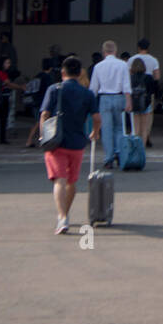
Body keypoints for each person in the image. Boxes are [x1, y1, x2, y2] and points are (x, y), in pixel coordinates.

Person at [37, 56, 100, 235]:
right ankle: (66, 213)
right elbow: (97, 118)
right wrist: (95, 132)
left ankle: (62, 217)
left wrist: (43, 135)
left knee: (59, 180)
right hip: (77, 142)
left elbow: (44, 114)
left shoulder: (54, 89)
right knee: (71, 181)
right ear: (80, 73)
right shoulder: (87, 93)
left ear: (62, 72)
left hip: (56, 141)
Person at [88, 40, 132, 169]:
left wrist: (90, 105)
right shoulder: (123, 65)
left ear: (104, 52)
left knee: (106, 129)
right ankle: (119, 152)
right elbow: (126, 84)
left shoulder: (98, 66)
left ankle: (108, 159)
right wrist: (128, 100)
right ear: (115, 51)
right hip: (119, 96)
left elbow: (93, 88)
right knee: (119, 127)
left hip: (105, 98)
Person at [131, 38, 162, 147]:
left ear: (138, 47)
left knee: (135, 123)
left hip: (134, 95)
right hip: (148, 93)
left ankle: (136, 143)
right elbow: (157, 77)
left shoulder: (132, 59)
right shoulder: (153, 60)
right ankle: (146, 139)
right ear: (148, 47)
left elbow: (127, 76)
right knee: (147, 121)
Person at [24, 57, 58, 149]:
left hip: (34, 101)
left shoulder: (37, 76)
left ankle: (30, 140)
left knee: (37, 121)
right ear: (51, 67)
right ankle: (39, 139)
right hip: (42, 102)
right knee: (40, 121)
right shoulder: (48, 78)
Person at [0, 56, 25, 145]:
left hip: (3, 96)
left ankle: (2, 136)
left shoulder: (2, 73)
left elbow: (8, 85)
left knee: (3, 118)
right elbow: (8, 83)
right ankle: (2, 137)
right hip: (2, 97)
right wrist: (20, 87)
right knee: (3, 118)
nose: (9, 65)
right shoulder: (0, 73)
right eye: (7, 63)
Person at [129, 56, 158, 148]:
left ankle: (135, 147)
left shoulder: (131, 78)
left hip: (135, 104)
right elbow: (153, 90)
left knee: (136, 127)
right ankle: (142, 147)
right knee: (144, 128)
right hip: (146, 103)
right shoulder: (148, 77)